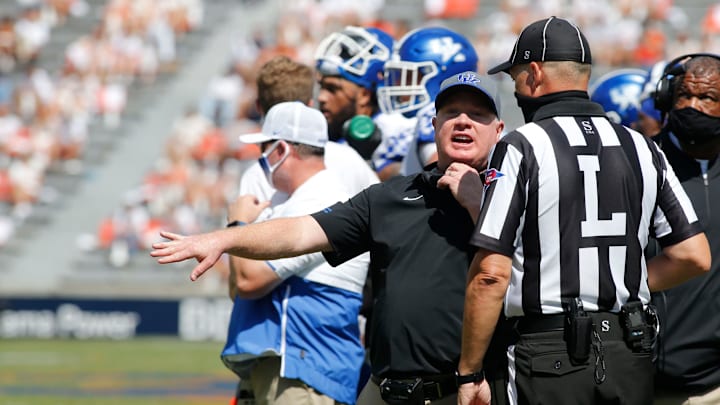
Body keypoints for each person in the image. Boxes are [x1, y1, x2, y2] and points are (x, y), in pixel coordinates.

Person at [151, 71, 505, 405]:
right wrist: (225, 239)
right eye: (452, 111)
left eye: (477, 114)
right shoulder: (389, 196)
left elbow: (524, 280)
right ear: (435, 124)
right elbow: (302, 231)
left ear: (498, 130)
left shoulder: (512, 193)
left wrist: (477, 205)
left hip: (463, 391)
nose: (463, 121)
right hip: (383, 390)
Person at [456, 17, 712, 405]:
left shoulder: (523, 145)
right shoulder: (642, 146)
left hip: (547, 352)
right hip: (630, 348)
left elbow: (491, 275)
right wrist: (622, 284)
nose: (517, 89)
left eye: (516, 78)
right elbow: (694, 256)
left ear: (535, 74)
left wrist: (470, 371)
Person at [222, 101, 369, 405]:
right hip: (291, 367)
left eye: (265, 149)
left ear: (281, 150)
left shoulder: (321, 200)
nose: (261, 160)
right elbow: (237, 286)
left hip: (305, 371)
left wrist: (237, 224)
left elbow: (249, 281)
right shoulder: (297, 200)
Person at [649, 53, 720, 405]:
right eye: (684, 96)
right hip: (650, 381)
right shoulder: (641, 161)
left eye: (707, 98)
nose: (693, 107)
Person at [238, 55, 379, 222]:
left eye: (264, 147)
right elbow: (381, 216)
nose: (264, 155)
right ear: (311, 104)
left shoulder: (256, 176)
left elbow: (250, 245)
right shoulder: (349, 157)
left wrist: (237, 223)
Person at [314, 25, 415, 181]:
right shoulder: (334, 129)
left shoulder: (394, 132)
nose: (321, 97)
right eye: (321, 86)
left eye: (332, 89)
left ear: (364, 95)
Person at [377, 26, 479, 176]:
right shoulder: (488, 117)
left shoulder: (433, 115)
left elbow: (447, 174)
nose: (399, 84)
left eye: (409, 76)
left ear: (439, 79)